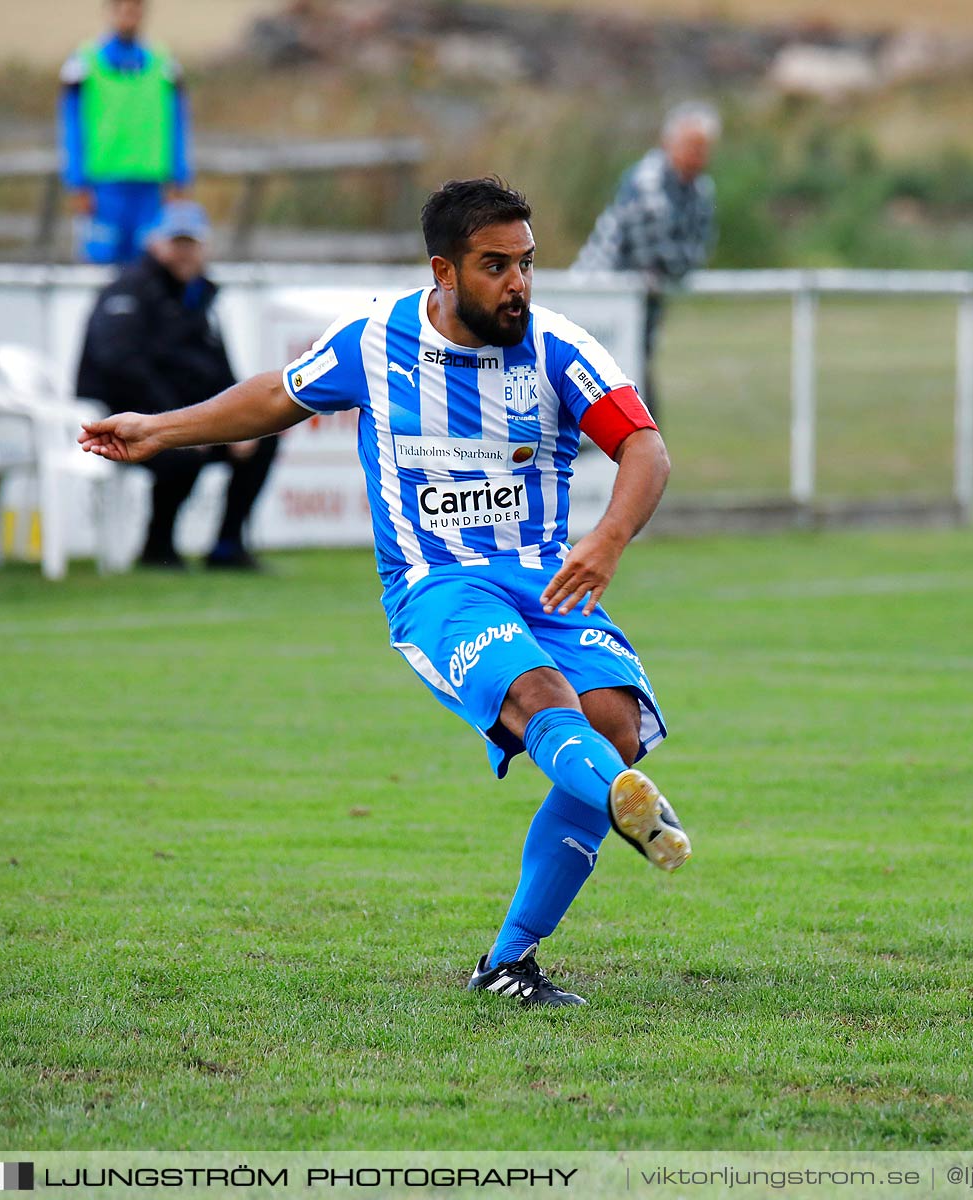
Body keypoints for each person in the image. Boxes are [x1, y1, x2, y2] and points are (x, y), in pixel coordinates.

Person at [81, 178, 690, 1005]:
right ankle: (624, 801)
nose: (518, 284)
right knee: (541, 698)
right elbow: (274, 396)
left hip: (546, 581)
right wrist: (159, 426)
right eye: (495, 266)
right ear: (443, 270)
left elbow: (645, 449)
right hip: (436, 586)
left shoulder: (559, 349)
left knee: (612, 724)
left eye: (527, 264)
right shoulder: (377, 341)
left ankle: (509, 961)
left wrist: (608, 539)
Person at [75, 201, 275, 569]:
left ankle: (227, 547)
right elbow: (121, 366)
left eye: (191, 244)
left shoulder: (201, 297)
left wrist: (243, 420)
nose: (185, 253)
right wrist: (170, 423)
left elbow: (219, 371)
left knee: (262, 439)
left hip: (175, 417)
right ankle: (158, 546)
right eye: (176, 243)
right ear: (155, 244)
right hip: (123, 421)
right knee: (181, 455)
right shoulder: (130, 290)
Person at [573, 102, 720, 419]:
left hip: (645, 302)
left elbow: (698, 251)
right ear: (669, 143)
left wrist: (677, 262)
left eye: (704, 148)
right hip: (600, 296)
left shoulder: (701, 190)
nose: (699, 156)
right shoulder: (646, 181)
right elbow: (652, 255)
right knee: (601, 381)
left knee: (637, 378)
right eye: (692, 146)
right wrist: (678, 262)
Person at [59, 0, 191, 265]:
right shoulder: (85, 63)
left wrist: (179, 177)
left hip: (150, 185)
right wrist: (77, 181)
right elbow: (71, 124)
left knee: (150, 265)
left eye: (135, 8)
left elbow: (178, 123)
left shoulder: (163, 64)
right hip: (104, 184)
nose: (128, 15)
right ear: (109, 11)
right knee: (100, 262)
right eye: (121, 8)